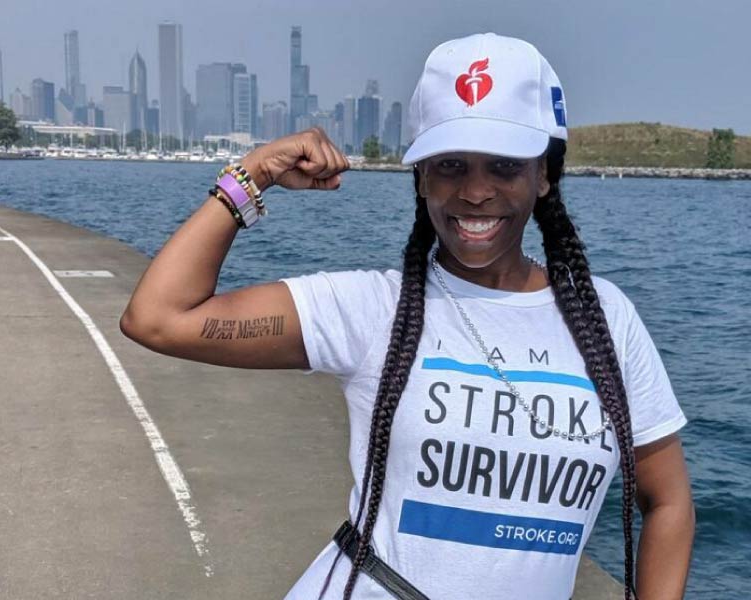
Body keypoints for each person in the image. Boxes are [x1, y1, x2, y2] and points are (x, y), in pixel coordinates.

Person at [121, 32, 695, 600]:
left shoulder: (606, 320)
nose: (475, 192)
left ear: (543, 175)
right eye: (449, 165)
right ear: (420, 178)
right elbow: (158, 317)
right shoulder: (373, 310)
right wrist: (252, 176)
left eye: (503, 166)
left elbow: (667, 501)